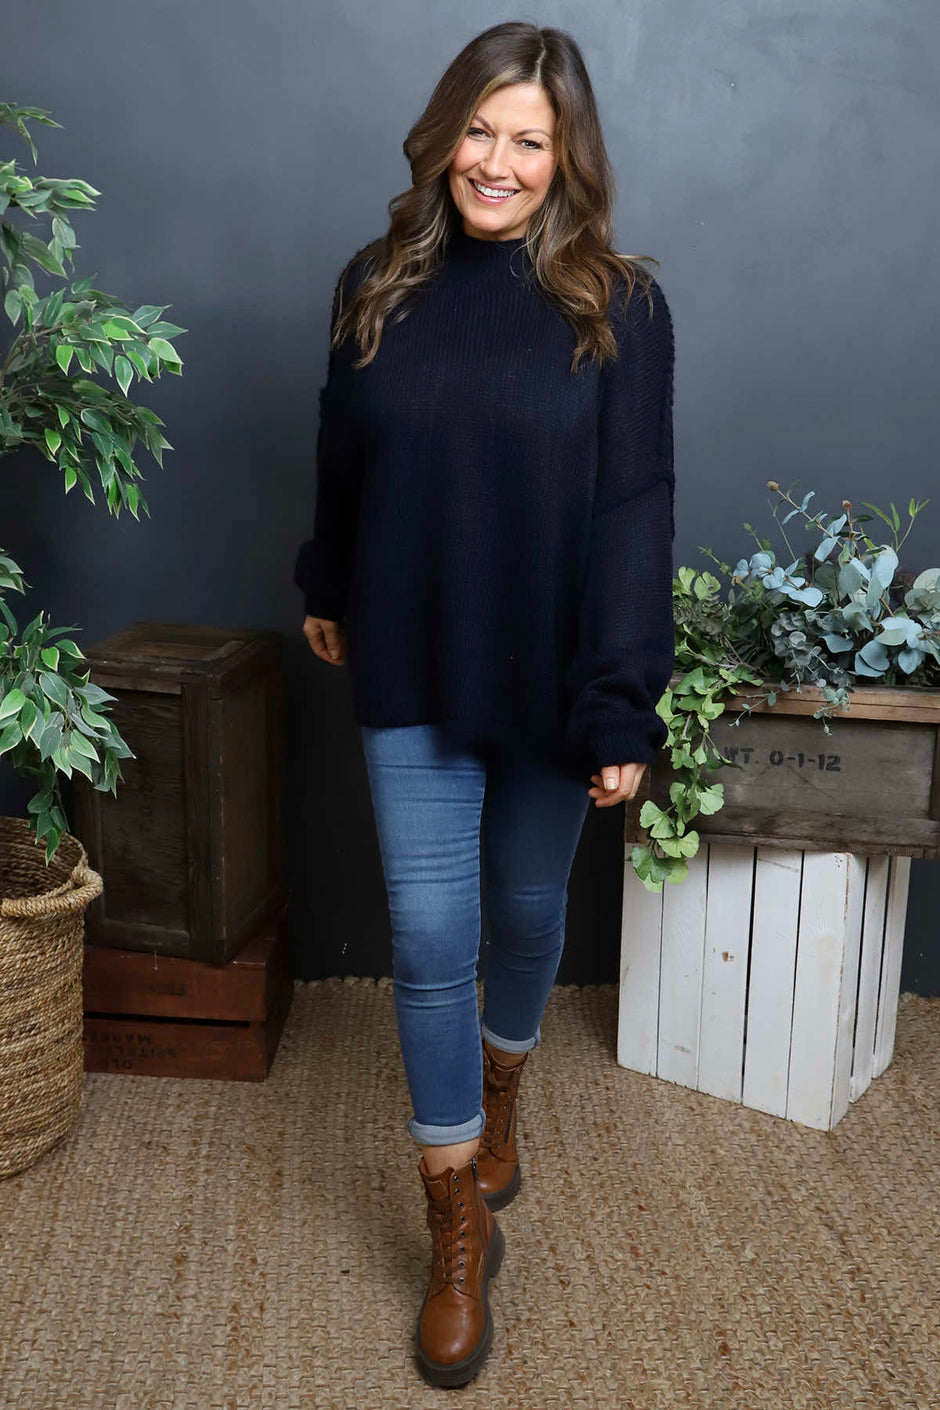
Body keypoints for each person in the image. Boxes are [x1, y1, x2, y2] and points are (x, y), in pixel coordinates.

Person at [293, 20, 676, 1390]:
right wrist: (327, 578)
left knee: (523, 918)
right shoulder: (376, 280)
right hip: (410, 650)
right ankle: (455, 1221)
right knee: (430, 936)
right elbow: (342, 449)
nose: (497, 163)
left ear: (567, 159)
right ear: (443, 133)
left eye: (529, 141)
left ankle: (503, 1090)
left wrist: (620, 701)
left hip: (553, 671)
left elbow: (635, 510)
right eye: (478, 131)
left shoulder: (619, 305)